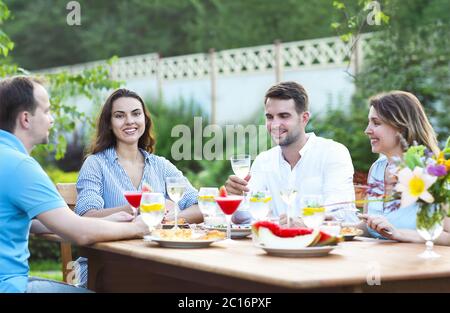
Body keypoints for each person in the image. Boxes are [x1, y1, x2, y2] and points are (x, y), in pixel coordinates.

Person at [0, 76, 149, 293]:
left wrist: (107, 221)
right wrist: (137, 227)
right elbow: (79, 233)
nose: (52, 119)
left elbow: (26, 222)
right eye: (47, 111)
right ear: (26, 119)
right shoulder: (19, 166)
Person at [74, 88, 203, 287]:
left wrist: (165, 219)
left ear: (145, 119)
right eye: (119, 116)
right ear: (109, 123)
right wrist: (139, 208)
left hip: (155, 263)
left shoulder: (161, 165)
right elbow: (86, 217)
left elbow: (198, 205)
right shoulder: (95, 164)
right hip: (106, 266)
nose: (129, 121)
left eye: (136, 113)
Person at [225, 81, 356, 225]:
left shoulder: (333, 153)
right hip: (274, 245)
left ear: (304, 118)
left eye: (284, 116)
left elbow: (341, 213)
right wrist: (236, 200)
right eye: (270, 117)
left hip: (323, 245)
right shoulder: (263, 161)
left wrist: (305, 222)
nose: (275, 125)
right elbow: (246, 219)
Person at [360, 90, 450, 243]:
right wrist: (336, 229)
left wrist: (399, 234)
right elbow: (368, 226)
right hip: (380, 262)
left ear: (400, 127)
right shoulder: (377, 169)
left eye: (376, 123)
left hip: (419, 264)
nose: (367, 130)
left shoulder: (431, 171)